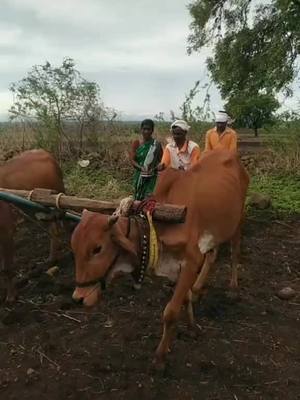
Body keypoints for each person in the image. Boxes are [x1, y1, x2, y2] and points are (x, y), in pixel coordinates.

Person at [130, 119, 163, 200]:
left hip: (152, 178)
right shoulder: (136, 143)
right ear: (141, 129)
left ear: (152, 130)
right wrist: (140, 168)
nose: (146, 131)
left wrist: (158, 167)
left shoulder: (156, 145)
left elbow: (161, 160)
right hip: (139, 176)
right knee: (137, 200)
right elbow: (132, 160)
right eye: (144, 129)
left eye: (149, 129)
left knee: (148, 200)